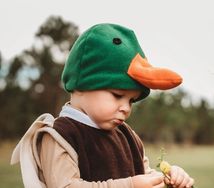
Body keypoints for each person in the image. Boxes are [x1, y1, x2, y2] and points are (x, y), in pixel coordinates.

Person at [11, 23, 194, 188]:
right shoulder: (60, 135)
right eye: (117, 95)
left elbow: (144, 177)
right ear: (83, 83)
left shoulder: (128, 136)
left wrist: (167, 180)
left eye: (131, 100)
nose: (126, 108)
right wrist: (129, 186)